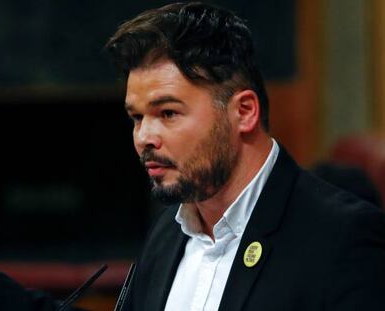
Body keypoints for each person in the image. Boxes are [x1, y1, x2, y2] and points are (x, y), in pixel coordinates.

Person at [107, 2, 385, 310]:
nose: (144, 137)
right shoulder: (167, 231)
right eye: (136, 118)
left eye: (168, 113)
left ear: (244, 112)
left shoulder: (343, 237)